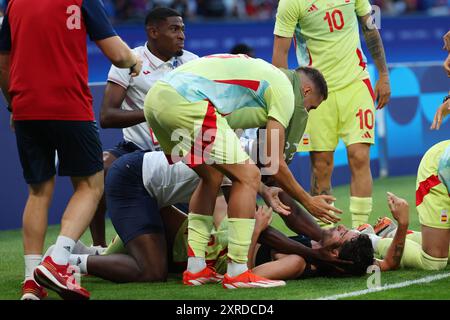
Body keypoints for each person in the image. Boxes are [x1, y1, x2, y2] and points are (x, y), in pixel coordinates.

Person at [144, 54, 341, 288]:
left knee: (212, 176)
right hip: (186, 101)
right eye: (311, 108)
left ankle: (195, 268)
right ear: (306, 91)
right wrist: (309, 201)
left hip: (156, 101)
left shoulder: (251, 89)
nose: (307, 113)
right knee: (249, 175)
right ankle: (238, 271)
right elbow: (273, 162)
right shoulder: (286, 91)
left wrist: (265, 190)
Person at [0, 0, 142, 300]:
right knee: (91, 186)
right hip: (69, 107)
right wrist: (133, 61)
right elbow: (117, 54)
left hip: (26, 109)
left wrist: (13, 104)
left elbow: (3, 62)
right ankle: (58, 259)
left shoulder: (13, 2)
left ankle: (31, 283)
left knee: (38, 192)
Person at [57, 150, 288, 286]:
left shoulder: (290, 259)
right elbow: (218, 208)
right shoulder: (229, 163)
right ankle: (67, 261)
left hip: (177, 242)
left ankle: (77, 257)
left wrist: (255, 230)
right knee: (152, 270)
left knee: (153, 266)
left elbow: (242, 273)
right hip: (140, 183)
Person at [272, 0, 391, 229]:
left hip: (355, 83)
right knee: (322, 165)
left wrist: (384, 75)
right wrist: (285, 100)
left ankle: (361, 232)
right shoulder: (290, 3)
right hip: (316, 92)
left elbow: (370, 28)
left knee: (360, 156)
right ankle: (325, 236)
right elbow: (280, 54)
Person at [90, 7, 198, 247]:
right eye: (174, 29)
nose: (181, 35)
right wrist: (154, 113)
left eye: (182, 29)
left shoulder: (192, 63)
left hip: (180, 152)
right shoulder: (129, 60)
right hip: (135, 150)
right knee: (99, 166)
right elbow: (107, 116)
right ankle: (98, 246)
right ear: (153, 32)